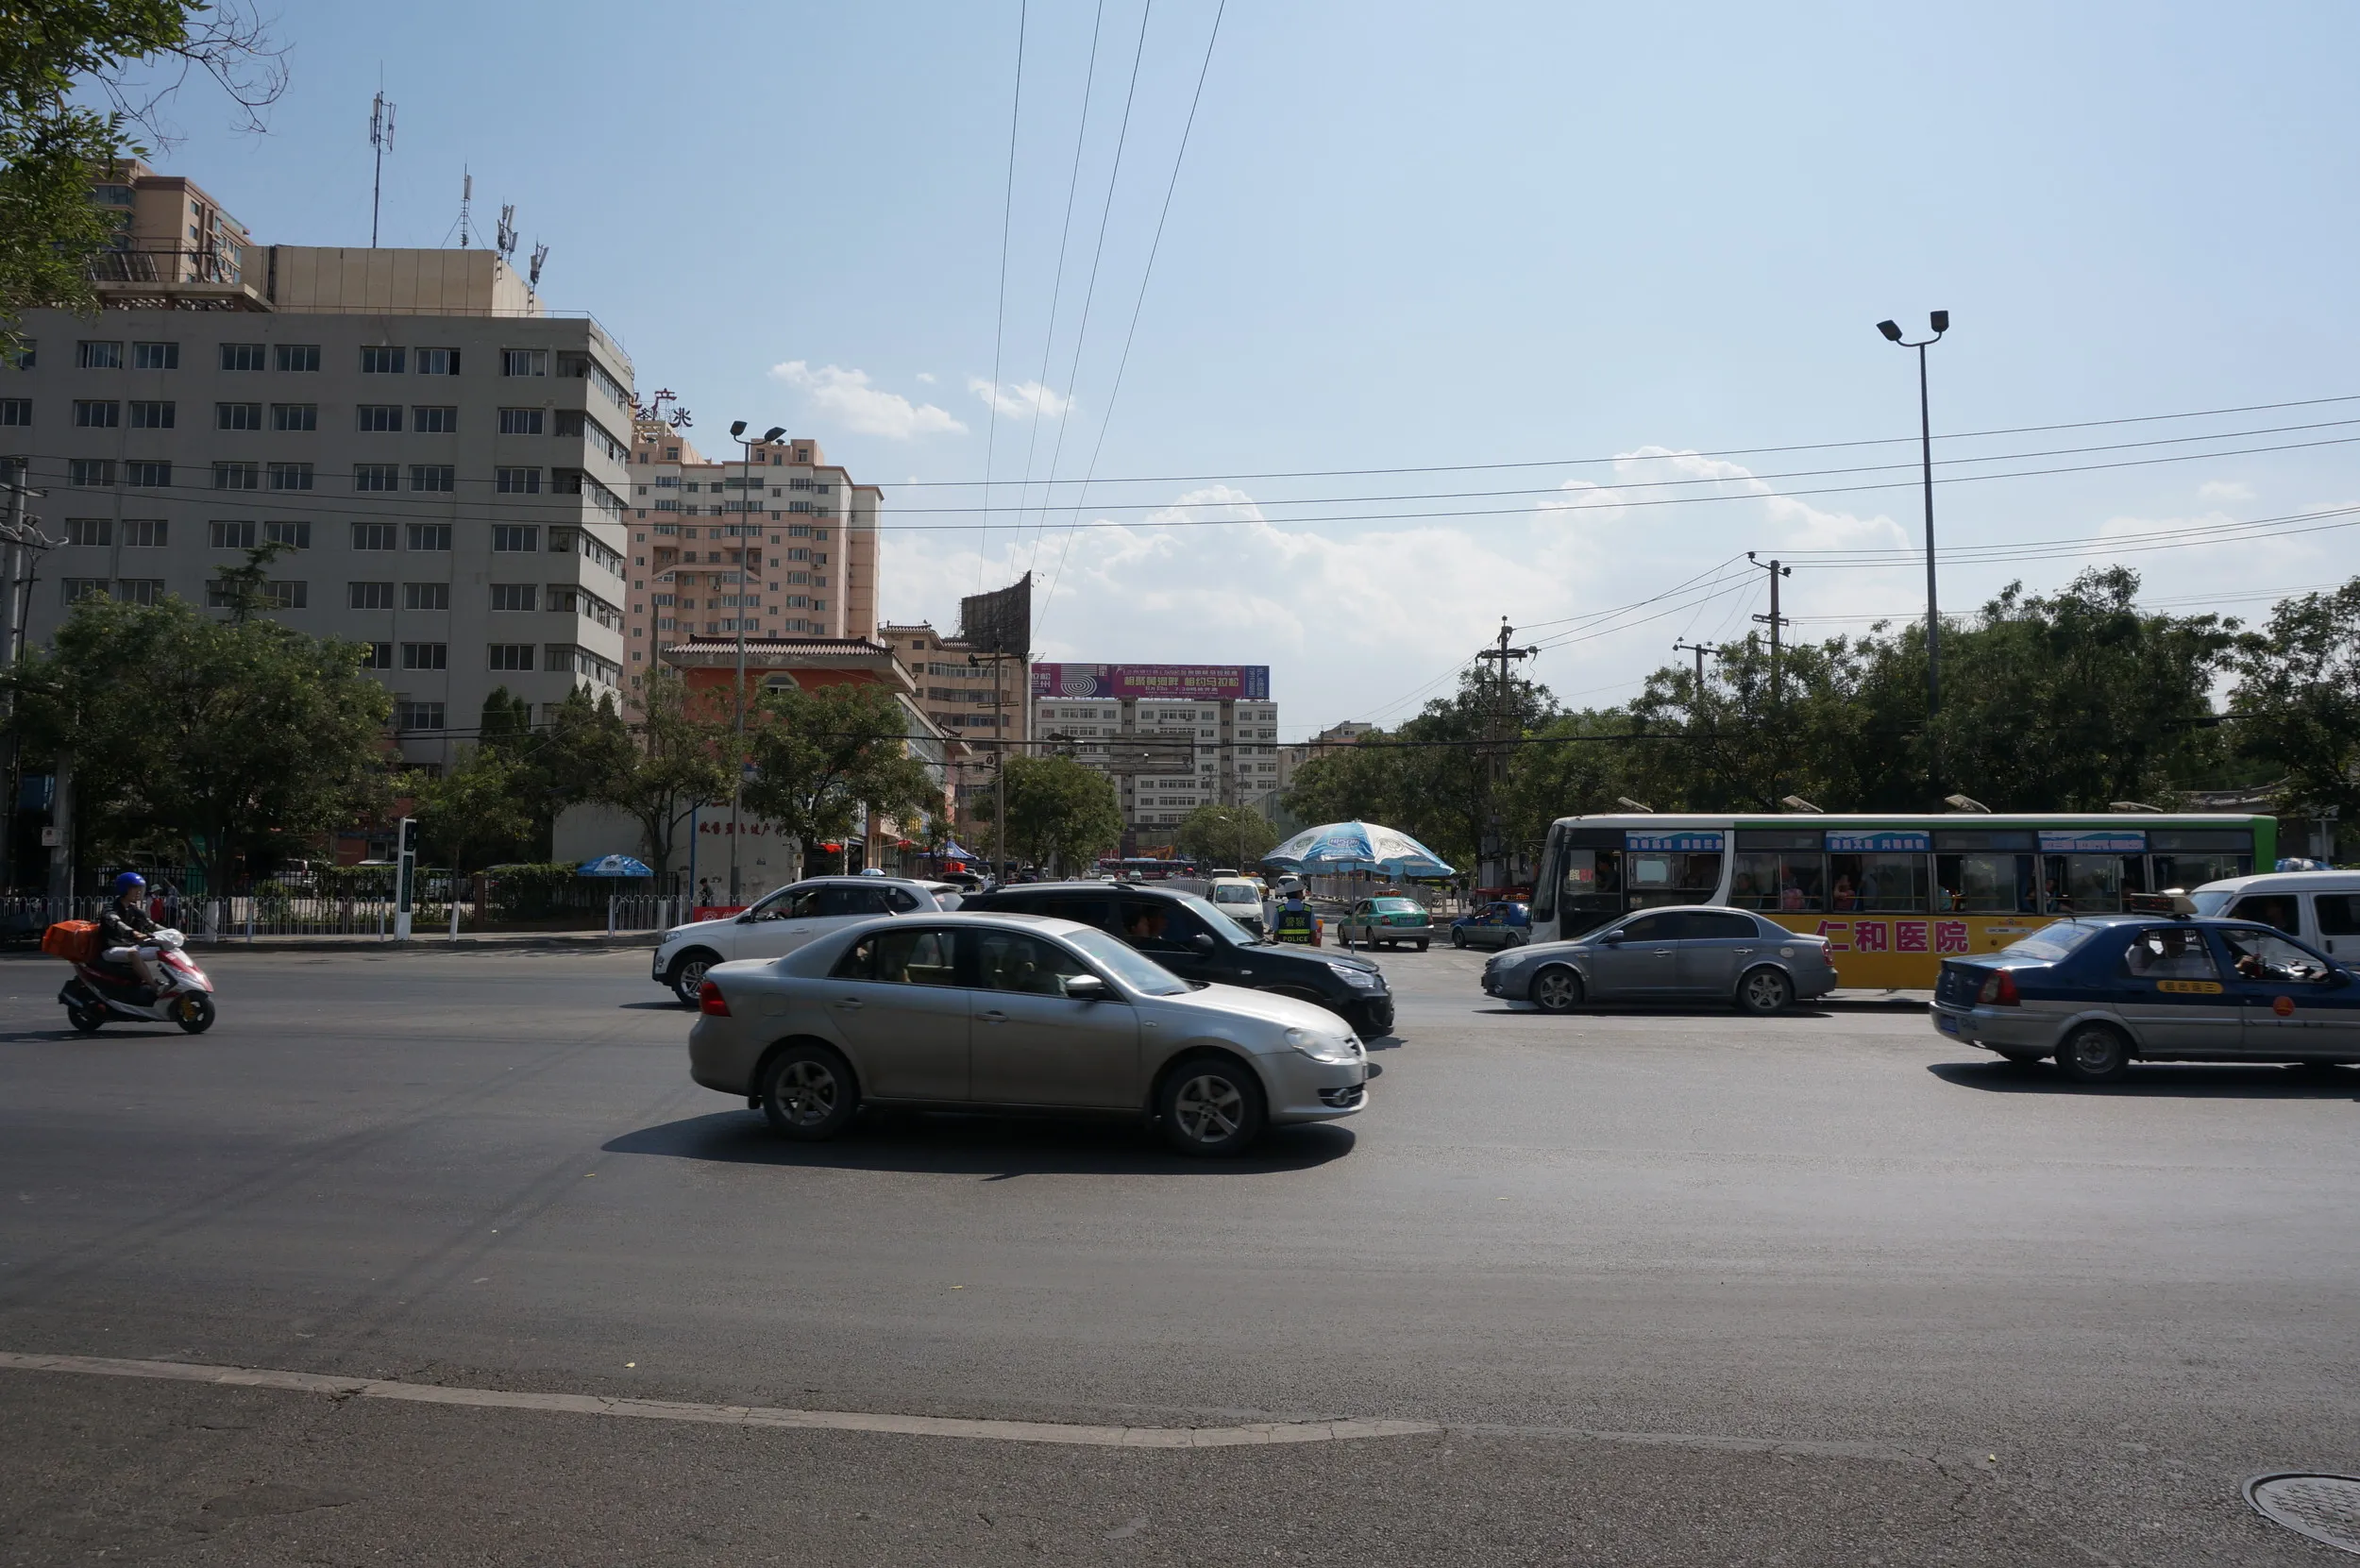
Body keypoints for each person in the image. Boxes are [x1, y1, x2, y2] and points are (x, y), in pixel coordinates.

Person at [97, 871, 162, 988]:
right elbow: (117, 922)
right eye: (134, 888)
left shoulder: (134, 909)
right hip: (110, 949)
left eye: (140, 888)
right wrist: (134, 933)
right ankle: (153, 985)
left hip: (130, 947)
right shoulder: (110, 908)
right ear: (124, 889)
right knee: (133, 954)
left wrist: (173, 932)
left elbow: (151, 925)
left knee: (164, 951)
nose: (138, 891)